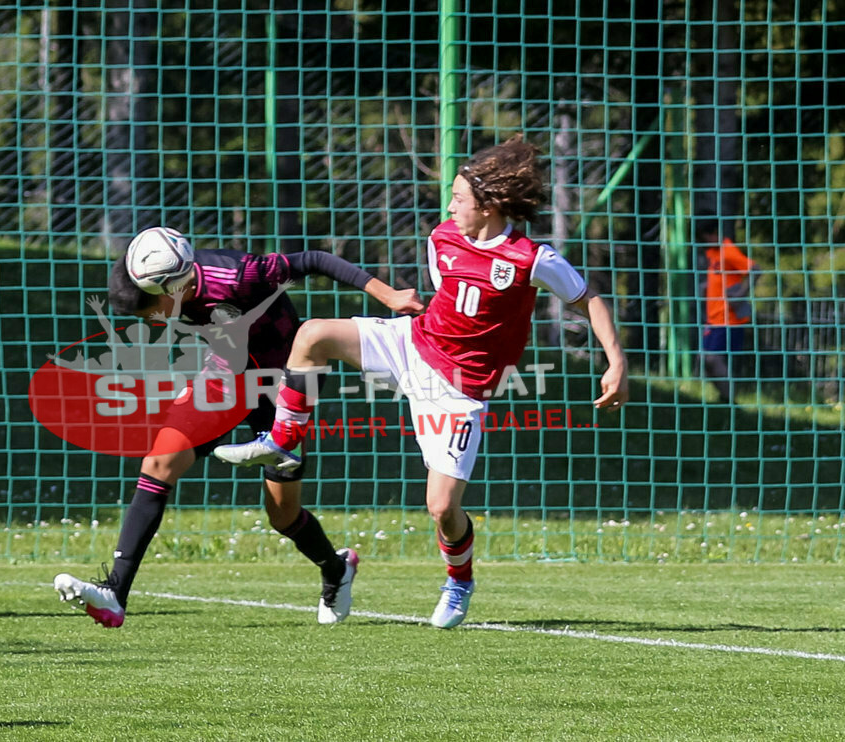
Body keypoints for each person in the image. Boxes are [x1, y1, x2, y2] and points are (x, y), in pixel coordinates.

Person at [215, 135, 629, 629]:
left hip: (456, 390)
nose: (451, 206)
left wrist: (616, 362)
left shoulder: (531, 259)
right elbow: (451, 299)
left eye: (459, 199)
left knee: (442, 508)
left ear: (491, 206)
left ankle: (459, 580)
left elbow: (590, 300)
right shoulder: (442, 238)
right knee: (313, 335)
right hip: (415, 344)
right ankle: (281, 441)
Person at [54, 239, 424, 627]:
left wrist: (389, 294)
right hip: (223, 381)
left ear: (173, 287)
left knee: (283, 515)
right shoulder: (159, 281)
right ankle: (115, 593)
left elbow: (315, 259)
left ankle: (336, 569)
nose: (151, 319)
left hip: (281, 386)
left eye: (152, 309)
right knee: (159, 463)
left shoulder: (240, 275)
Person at [700, 224, 756, 403]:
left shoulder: (728, 250)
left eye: (709, 235)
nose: (706, 240)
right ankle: (725, 398)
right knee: (704, 359)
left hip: (728, 319)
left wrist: (740, 295)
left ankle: (730, 401)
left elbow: (756, 270)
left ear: (716, 232)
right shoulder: (712, 252)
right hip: (713, 318)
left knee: (712, 358)